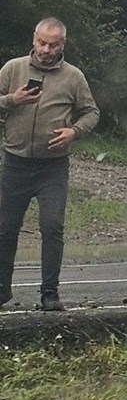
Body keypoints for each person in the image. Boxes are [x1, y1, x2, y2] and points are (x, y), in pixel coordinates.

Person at [0, 18, 100, 311]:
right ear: (33, 39)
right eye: (41, 43)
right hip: (15, 162)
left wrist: (74, 131)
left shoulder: (73, 77)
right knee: (5, 228)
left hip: (52, 167)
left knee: (52, 226)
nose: (45, 49)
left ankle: (49, 293)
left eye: (52, 45)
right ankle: (2, 289)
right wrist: (12, 99)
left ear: (62, 45)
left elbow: (91, 112)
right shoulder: (13, 68)